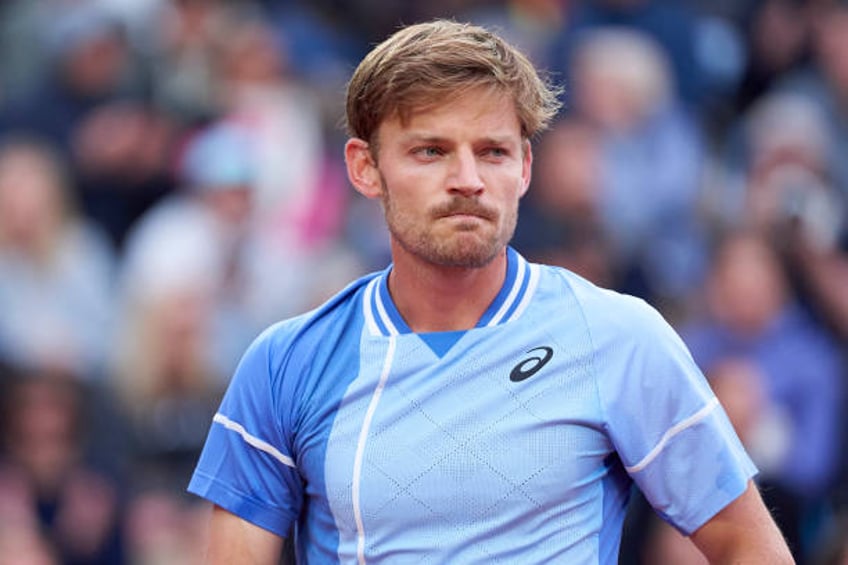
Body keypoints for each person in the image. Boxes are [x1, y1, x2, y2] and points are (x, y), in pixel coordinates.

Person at [188, 19, 792, 563]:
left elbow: (747, 544)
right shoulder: (285, 363)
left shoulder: (618, 336)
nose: (469, 180)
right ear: (365, 168)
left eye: (493, 152)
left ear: (525, 168)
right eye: (432, 151)